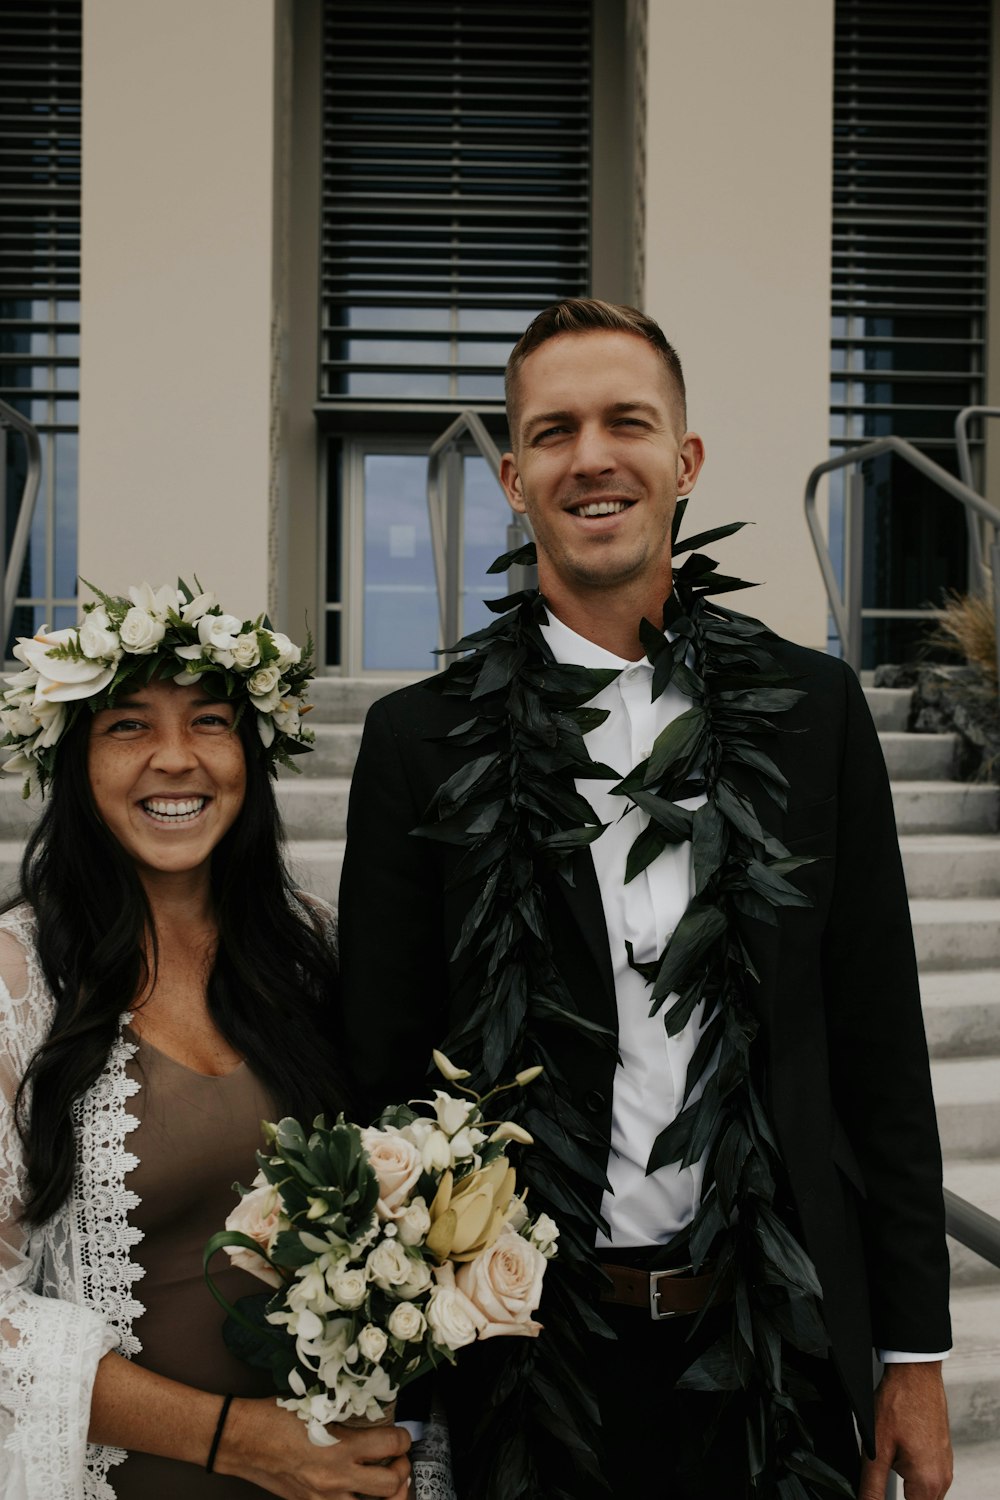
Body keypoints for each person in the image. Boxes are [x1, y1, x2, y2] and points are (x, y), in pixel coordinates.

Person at [339, 300, 954, 1499]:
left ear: (685, 460)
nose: (593, 456)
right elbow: (381, 1072)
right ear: (514, 481)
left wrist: (912, 1351)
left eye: (628, 421)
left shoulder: (815, 713)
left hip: (776, 1346)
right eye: (555, 432)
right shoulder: (418, 742)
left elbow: (878, 1045)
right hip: (524, 1363)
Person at [0, 584, 411, 1500]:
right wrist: (243, 1443)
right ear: (73, 760)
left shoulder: (319, 951)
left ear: (250, 752)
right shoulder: (15, 983)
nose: (176, 760)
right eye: (128, 727)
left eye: (211, 722)